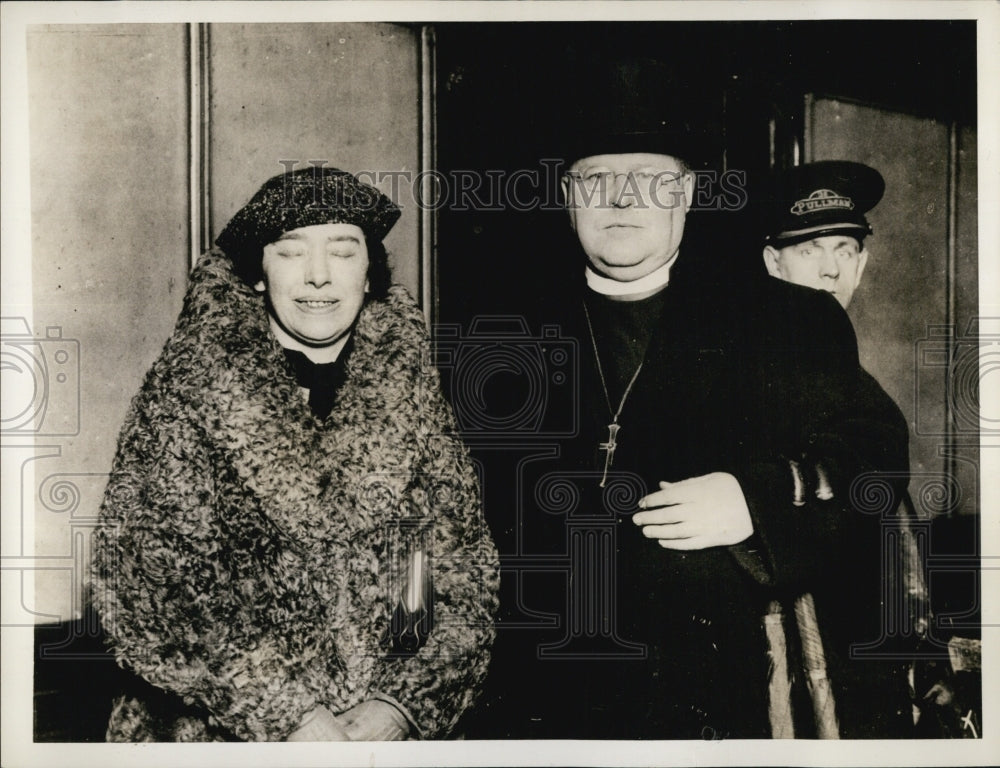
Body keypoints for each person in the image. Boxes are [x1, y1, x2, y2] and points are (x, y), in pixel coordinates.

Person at [466, 84, 913, 739]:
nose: (620, 199)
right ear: (568, 200)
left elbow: (874, 456)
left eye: (648, 180)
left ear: (686, 195)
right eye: (596, 181)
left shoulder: (786, 318)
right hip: (542, 694)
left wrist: (753, 498)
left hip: (715, 692)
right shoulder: (498, 332)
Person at [90, 167, 499, 742]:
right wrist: (288, 715)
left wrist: (398, 704)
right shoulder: (186, 388)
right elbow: (146, 584)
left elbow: (445, 570)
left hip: (374, 736)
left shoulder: (410, 393)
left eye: (342, 251)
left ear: (368, 273)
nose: (318, 277)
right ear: (259, 273)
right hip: (215, 733)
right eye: (291, 252)